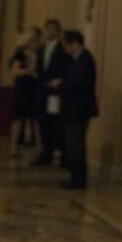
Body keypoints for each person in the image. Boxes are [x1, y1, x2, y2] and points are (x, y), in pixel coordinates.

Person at [56, 30, 97, 189]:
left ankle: (78, 179)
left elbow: (78, 84)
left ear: (74, 43)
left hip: (79, 110)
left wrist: (61, 84)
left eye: (65, 44)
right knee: (73, 145)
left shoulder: (85, 59)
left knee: (76, 146)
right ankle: (74, 176)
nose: (64, 48)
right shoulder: (75, 60)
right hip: (73, 110)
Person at [34, 18, 71, 167]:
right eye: (48, 28)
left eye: (54, 29)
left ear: (58, 31)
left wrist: (59, 81)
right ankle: (46, 154)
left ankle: (62, 155)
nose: (51, 31)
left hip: (56, 91)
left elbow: (66, 68)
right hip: (43, 90)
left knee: (57, 124)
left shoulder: (63, 49)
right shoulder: (41, 49)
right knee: (44, 123)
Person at [8, 27, 41, 156]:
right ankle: (13, 147)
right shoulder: (20, 53)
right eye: (30, 37)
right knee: (18, 117)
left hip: (36, 87)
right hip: (23, 87)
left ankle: (39, 147)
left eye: (35, 38)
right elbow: (15, 72)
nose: (32, 40)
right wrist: (29, 71)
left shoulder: (40, 52)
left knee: (36, 119)